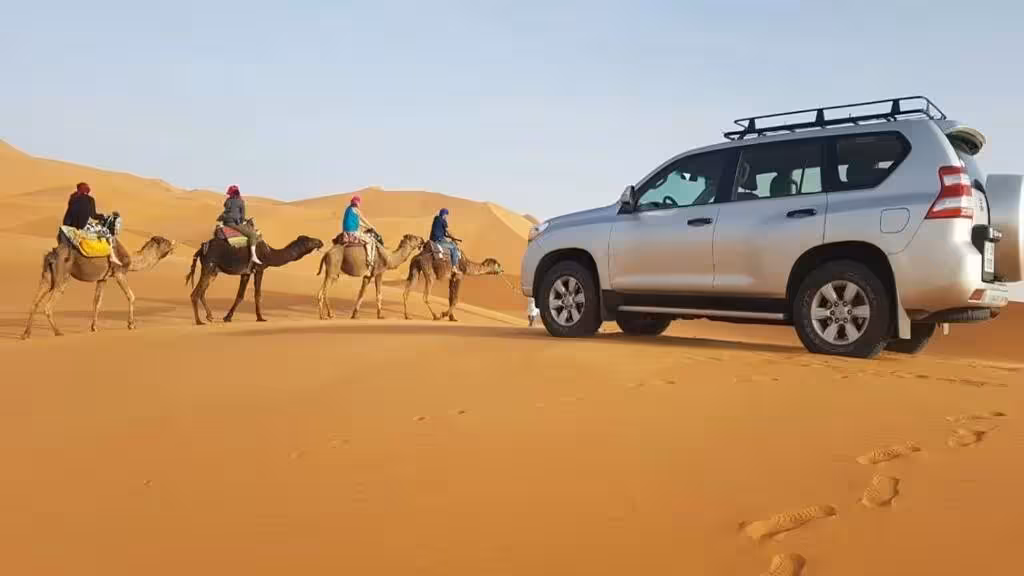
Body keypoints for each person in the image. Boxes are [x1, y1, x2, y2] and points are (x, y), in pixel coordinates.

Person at [62, 182, 123, 265]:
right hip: (83, 227)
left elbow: (68, 216)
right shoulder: (90, 199)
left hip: (71, 227)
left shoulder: (72, 199)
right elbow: (93, 215)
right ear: (87, 191)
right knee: (107, 232)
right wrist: (103, 216)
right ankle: (112, 256)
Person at [217, 185, 262, 265]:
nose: (229, 195)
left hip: (226, 222)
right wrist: (242, 221)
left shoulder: (228, 201)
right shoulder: (240, 202)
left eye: (229, 193)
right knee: (252, 235)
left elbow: (227, 211)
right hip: (234, 223)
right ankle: (253, 256)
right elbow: (242, 215)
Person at [341, 195, 378, 269]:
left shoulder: (348, 209)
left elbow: (359, 222)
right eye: (359, 202)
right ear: (357, 203)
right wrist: (372, 226)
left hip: (345, 232)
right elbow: (363, 219)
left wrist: (368, 227)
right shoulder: (356, 210)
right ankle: (369, 261)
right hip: (353, 232)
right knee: (370, 241)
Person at [429, 208, 460, 272]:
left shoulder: (436, 219)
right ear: (444, 215)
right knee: (454, 247)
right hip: (438, 240)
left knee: (448, 242)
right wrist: (454, 238)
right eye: (446, 215)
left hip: (432, 239)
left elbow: (441, 231)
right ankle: (454, 267)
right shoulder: (443, 221)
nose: (446, 217)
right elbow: (448, 231)